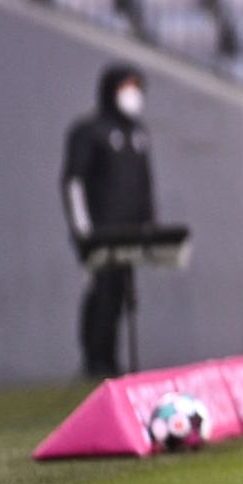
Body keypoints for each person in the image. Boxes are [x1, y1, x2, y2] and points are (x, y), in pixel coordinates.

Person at [61, 64, 155, 378]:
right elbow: (73, 183)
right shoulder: (89, 132)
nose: (133, 95)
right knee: (99, 295)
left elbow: (145, 185)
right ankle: (95, 361)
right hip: (99, 235)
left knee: (120, 297)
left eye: (137, 87)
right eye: (126, 87)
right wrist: (83, 232)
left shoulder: (139, 134)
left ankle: (113, 364)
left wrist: (148, 226)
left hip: (130, 237)